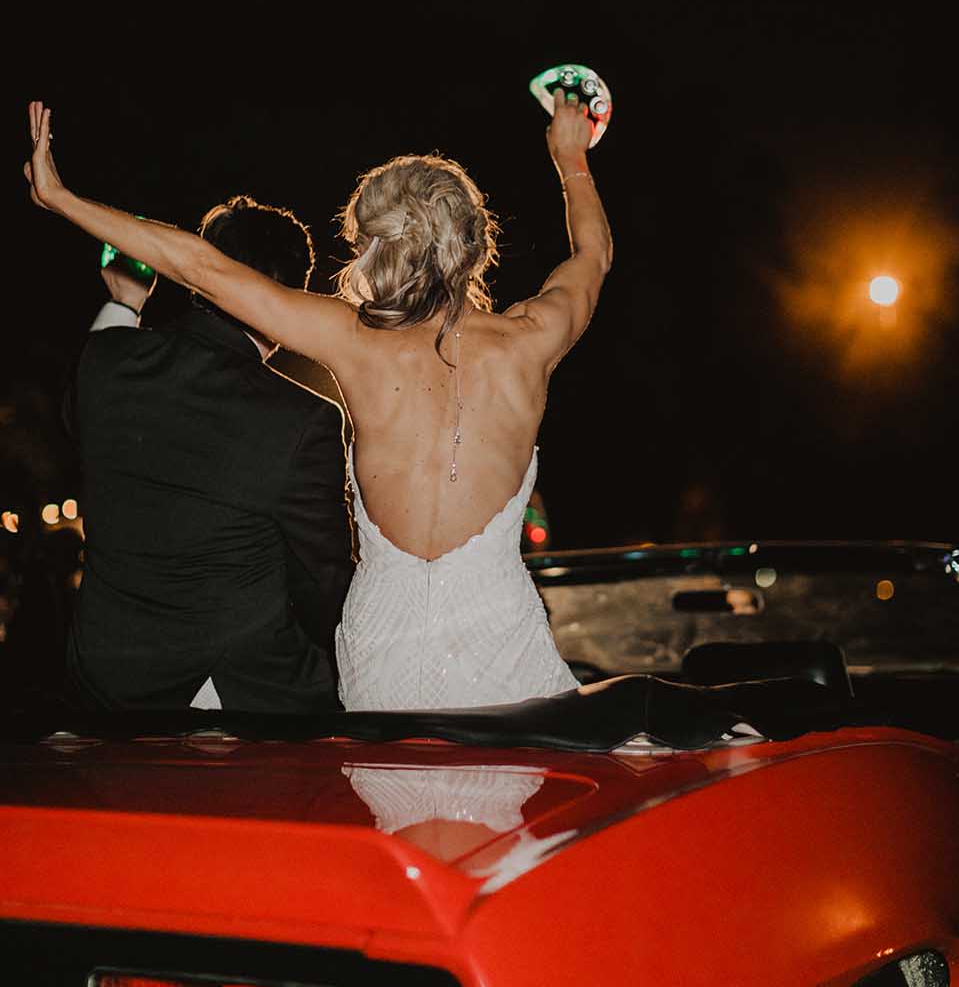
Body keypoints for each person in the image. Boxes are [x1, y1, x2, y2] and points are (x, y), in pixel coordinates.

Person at [24, 90, 612, 709]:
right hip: (503, 655)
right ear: (472, 245)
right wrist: (571, 155)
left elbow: (204, 270)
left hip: (382, 658)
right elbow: (593, 256)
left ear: (380, 247)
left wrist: (64, 199)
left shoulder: (355, 342)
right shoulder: (531, 340)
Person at [58, 191, 354, 713]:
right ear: (288, 295)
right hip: (237, 692)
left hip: (107, 681)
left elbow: (79, 400)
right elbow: (323, 582)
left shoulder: (106, 364)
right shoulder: (302, 417)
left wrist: (123, 302)